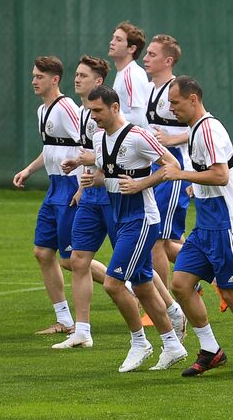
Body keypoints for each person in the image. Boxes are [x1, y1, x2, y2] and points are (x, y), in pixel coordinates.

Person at [156, 76, 233, 378]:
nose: (172, 109)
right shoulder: (194, 130)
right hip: (206, 225)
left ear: (193, 99)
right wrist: (194, 186)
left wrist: (181, 175)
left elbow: (220, 176)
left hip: (226, 225)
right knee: (181, 284)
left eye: (175, 103)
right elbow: (209, 176)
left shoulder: (209, 129)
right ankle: (211, 350)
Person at [73, 86, 188, 372]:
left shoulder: (138, 136)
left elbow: (171, 166)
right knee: (142, 284)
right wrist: (94, 181)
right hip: (119, 217)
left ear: (114, 107)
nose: (94, 116)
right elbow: (108, 175)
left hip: (142, 218)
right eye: (90, 111)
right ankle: (172, 345)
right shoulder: (99, 138)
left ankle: (140, 342)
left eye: (98, 110)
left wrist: (141, 184)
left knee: (113, 283)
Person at [14, 56, 85, 335]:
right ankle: (64, 319)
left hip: (71, 186)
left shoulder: (66, 108)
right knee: (43, 252)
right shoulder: (43, 111)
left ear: (55, 80)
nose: (33, 81)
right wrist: (29, 170)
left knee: (72, 260)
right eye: (33, 76)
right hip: (54, 187)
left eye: (39, 76)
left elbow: (88, 145)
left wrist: (83, 186)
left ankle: (125, 284)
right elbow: (51, 150)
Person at [52, 55, 113, 350]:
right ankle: (83, 331)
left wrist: (90, 167)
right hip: (90, 194)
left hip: (112, 194)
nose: (76, 79)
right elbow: (90, 155)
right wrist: (80, 181)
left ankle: (172, 311)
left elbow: (111, 154)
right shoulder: (81, 111)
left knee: (134, 270)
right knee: (77, 261)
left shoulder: (103, 113)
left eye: (83, 75)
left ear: (98, 82)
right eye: (75, 75)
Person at [142, 35, 191, 333]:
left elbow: (202, 123)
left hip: (174, 168)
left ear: (168, 60)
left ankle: (167, 308)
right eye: (146, 53)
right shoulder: (151, 90)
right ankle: (205, 275)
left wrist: (173, 138)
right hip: (155, 165)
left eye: (152, 54)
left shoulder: (178, 88)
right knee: (164, 241)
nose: (146, 58)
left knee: (157, 241)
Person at [108, 22, 152, 128]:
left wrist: (108, 117)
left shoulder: (132, 74)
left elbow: (138, 118)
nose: (111, 42)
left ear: (132, 49)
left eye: (118, 40)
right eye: (113, 38)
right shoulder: (123, 72)